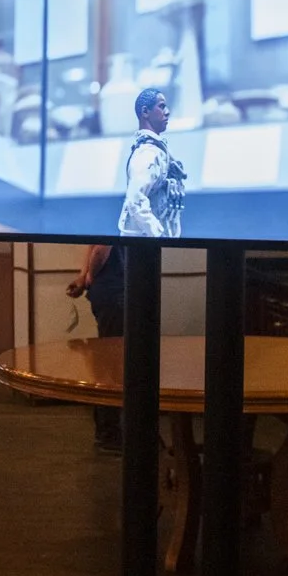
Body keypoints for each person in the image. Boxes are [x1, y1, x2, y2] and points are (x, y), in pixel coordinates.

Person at [65, 243, 124, 452]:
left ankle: (109, 430)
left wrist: (84, 277)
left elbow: (93, 245)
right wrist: (89, 275)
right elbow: (101, 248)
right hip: (116, 292)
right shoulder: (116, 213)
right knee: (113, 366)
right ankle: (108, 433)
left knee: (107, 363)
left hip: (107, 292)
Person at [119, 88, 186, 238]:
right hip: (143, 244)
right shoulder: (147, 154)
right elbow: (135, 200)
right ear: (145, 112)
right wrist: (158, 236)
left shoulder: (159, 151)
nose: (167, 112)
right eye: (161, 106)